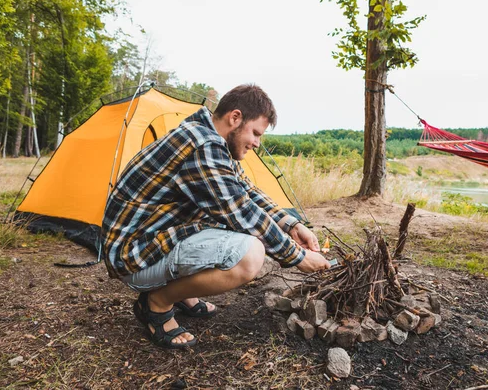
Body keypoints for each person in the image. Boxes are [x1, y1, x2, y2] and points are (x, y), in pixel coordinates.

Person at [101, 84, 331, 349]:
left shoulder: (212, 138)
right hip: (134, 256)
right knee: (249, 254)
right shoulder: (203, 145)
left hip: (156, 236)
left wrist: (292, 224)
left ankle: (182, 293)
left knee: (238, 232)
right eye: (255, 133)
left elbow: (247, 191)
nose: (257, 143)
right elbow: (241, 211)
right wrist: (297, 257)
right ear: (235, 118)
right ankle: (156, 303)